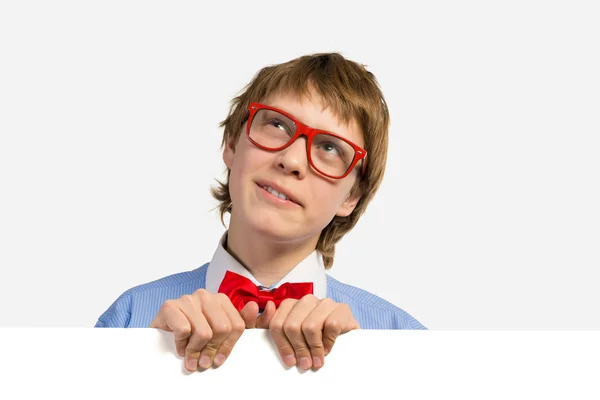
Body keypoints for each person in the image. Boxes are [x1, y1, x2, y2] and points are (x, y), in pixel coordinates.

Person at [95, 52, 426, 372]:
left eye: (329, 148)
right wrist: (140, 366)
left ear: (352, 196)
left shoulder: (408, 343)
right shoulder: (130, 318)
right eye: (278, 125)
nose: (291, 160)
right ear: (231, 144)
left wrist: (374, 375)